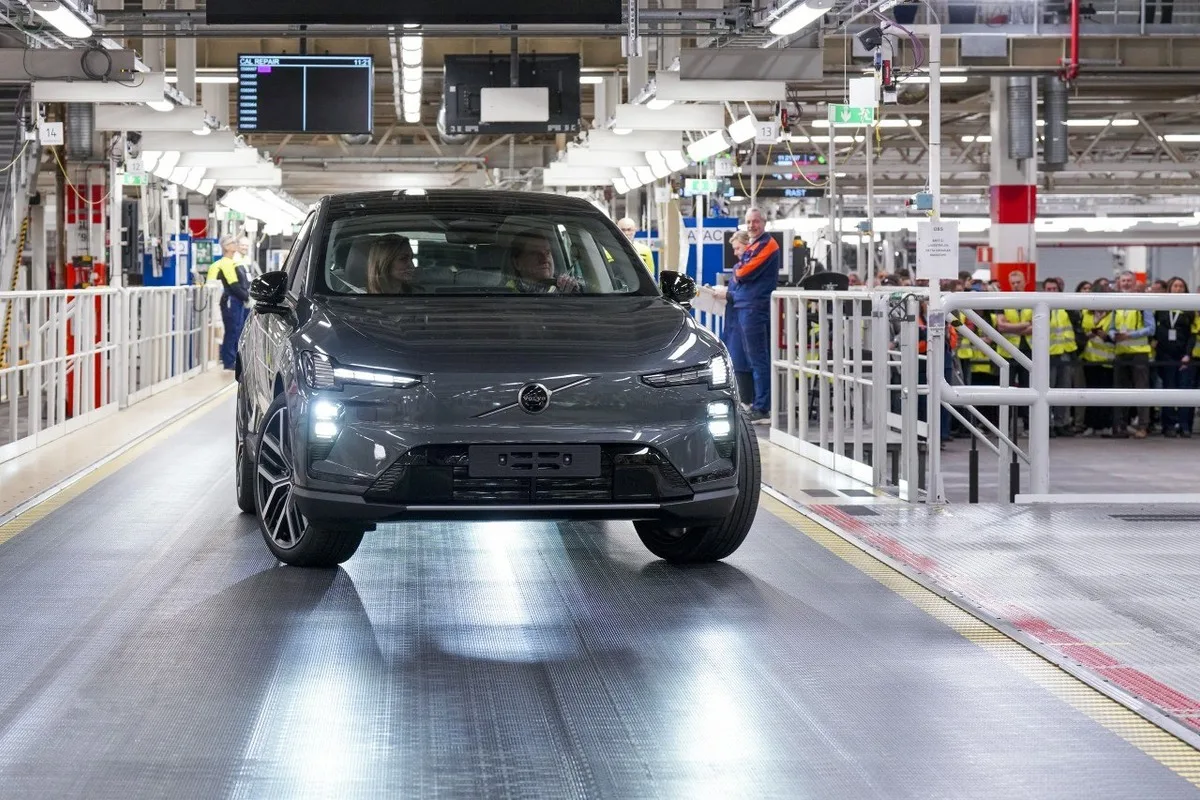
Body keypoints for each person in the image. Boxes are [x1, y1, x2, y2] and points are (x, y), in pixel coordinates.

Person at [726, 208, 780, 423]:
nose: (751, 225)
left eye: (755, 221)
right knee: (753, 359)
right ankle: (759, 404)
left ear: (764, 222)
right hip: (746, 306)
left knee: (758, 360)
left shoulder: (768, 245)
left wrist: (740, 269)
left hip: (755, 307)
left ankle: (762, 407)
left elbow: (743, 272)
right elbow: (740, 269)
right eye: (748, 222)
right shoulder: (756, 245)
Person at [1110, 269, 1155, 438]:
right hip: (1121, 352)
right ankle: (1121, 426)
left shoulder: (1143, 302)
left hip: (1139, 353)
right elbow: (1112, 327)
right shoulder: (1116, 304)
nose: (1126, 283)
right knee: (1120, 392)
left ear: (1135, 283)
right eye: (1123, 281)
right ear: (1119, 283)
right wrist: (1114, 335)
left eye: (1129, 280)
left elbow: (1151, 328)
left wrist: (1130, 335)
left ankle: (1143, 426)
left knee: (1141, 391)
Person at [1155, 276, 1195, 438]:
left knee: (1185, 391)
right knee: (1168, 390)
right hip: (1165, 355)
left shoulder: (1190, 308)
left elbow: (1192, 335)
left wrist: (1188, 354)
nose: (1178, 289)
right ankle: (1169, 425)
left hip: (1183, 355)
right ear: (1170, 288)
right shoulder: (1161, 308)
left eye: (1181, 287)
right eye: (1175, 286)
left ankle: (1185, 426)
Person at [207, 234, 251, 372]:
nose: (235, 244)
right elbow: (234, 285)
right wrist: (246, 297)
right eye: (232, 242)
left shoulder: (233, 262)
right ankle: (229, 360)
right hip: (230, 302)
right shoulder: (225, 263)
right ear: (226, 247)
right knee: (232, 331)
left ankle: (233, 359)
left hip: (235, 301)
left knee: (236, 330)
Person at [505, 230, 580, 293]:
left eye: (547, 253)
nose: (544, 259)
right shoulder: (505, 294)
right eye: (535, 253)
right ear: (517, 263)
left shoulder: (565, 287)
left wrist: (572, 292)